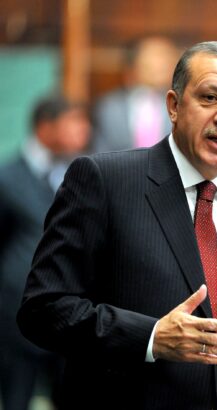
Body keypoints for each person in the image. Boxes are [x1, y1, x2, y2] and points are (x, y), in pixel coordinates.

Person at [17, 41, 217, 410]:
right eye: (210, 97)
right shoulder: (104, 181)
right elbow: (43, 310)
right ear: (173, 105)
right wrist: (151, 338)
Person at [0, 95, 90, 410]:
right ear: (45, 127)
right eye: (74, 122)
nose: (84, 130)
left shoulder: (80, 175)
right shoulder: (7, 179)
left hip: (69, 317)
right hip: (16, 317)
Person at [92, 36, 179, 152]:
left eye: (169, 57)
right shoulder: (109, 107)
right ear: (134, 64)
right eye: (156, 56)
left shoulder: (182, 105)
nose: (164, 64)